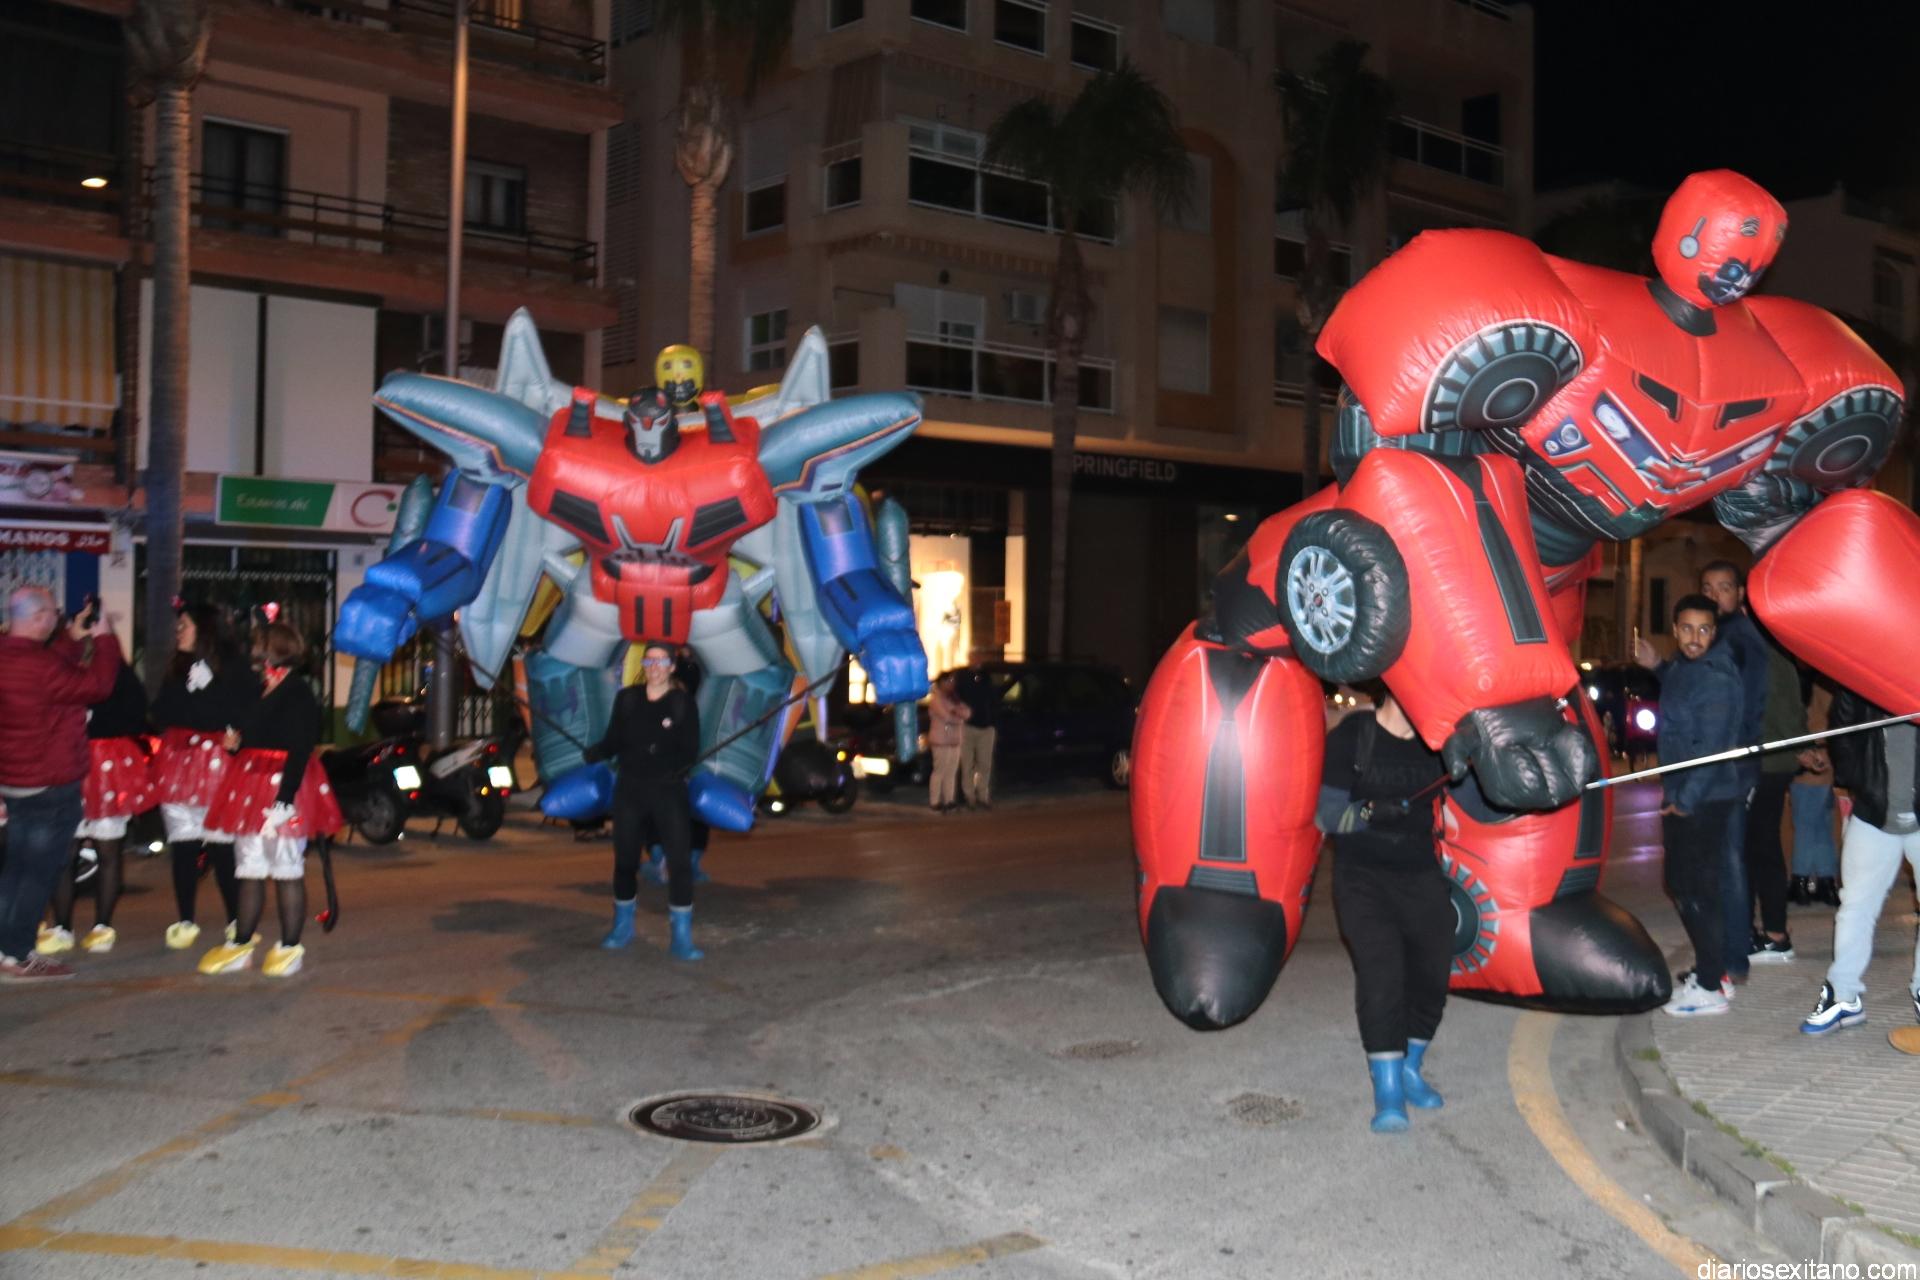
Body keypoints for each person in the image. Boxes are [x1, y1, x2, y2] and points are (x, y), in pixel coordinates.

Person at [1315, 686, 1451, 1134]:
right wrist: (1372, 810)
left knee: (1433, 972)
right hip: (1362, 878)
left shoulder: (1438, 743)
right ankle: (1388, 1086)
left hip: (1420, 873)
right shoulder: (1354, 737)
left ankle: (1411, 1068)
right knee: (1382, 973)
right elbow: (1326, 816)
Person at [195, 623, 341, 976]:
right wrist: (237, 745)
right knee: (250, 866)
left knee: (286, 868)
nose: (253, 650)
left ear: (275, 649)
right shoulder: (265, 687)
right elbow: (254, 732)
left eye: (259, 644)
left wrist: (285, 800)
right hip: (252, 785)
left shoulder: (298, 691)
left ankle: (289, 948)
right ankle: (241, 943)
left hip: (284, 787)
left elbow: (301, 747)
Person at [0, 586, 122, 981]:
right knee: (38, 873)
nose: (56, 617)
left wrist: (72, 637)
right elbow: (97, 686)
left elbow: (56, 673)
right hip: (49, 785)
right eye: (52, 613)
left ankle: (5, 948)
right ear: (38, 618)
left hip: (15, 782)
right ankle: (17, 954)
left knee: (16, 869)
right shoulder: (40, 665)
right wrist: (104, 639)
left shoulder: (13, 656)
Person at [1638, 594, 1746, 1017]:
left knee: (1692, 889)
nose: (1695, 638)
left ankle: (1710, 987)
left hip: (1703, 798)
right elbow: (1681, 690)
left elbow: (1712, 750)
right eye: (1687, 629)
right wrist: (1657, 666)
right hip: (1691, 794)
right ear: (1675, 630)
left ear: (1714, 632)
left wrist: (1684, 801)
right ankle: (1713, 972)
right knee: (1693, 887)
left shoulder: (1716, 678)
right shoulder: (1687, 668)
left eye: (1703, 629)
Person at [1799, 686, 1920, 1035]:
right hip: (1873, 813)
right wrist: (1858, 781)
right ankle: (1843, 995)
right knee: (1855, 907)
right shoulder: (1865, 678)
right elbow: (1842, 729)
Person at [584, 643, 704, 960]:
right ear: (643, 665)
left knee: (679, 863)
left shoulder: (682, 703)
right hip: (630, 790)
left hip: (668, 791)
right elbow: (613, 740)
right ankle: (622, 926)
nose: (655, 667)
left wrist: (673, 764)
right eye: (649, 661)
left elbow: (691, 749)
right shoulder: (628, 699)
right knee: (625, 861)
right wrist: (598, 752)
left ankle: (681, 936)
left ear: (672, 666)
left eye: (662, 661)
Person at [150, 602, 258, 951]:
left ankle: (236, 921)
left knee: (222, 848)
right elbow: (161, 713)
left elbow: (241, 714)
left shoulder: (232, 666)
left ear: (205, 630)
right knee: (182, 847)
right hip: (179, 766)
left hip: (217, 767)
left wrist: (211, 688)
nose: (178, 632)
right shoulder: (177, 666)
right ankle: (186, 920)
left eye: (185, 625)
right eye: (178, 626)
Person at [38, 661, 153, 956]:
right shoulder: (59, 659)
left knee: (108, 850)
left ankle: (102, 926)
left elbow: (136, 712)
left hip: (107, 760)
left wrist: (97, 720)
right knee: (63, 851)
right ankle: (62, 927)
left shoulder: (115, 668)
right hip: (67, 759)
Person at [1697, 561, 1769, 987]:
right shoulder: (1722, 636)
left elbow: (1740, 706)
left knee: (1727, 860)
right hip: (1726, 762)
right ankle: (1730, 954)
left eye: (1723, 587)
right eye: (1707, 587)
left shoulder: (1738, 638)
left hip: (1730, 765)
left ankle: (1732, 958)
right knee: (1723, 859)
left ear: (1740, 593)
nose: (1713, 595)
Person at [1744, 633, 1805, 964]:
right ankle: (1767, 931)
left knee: (1758, 848)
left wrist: (1800, 746)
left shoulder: (1766, 658)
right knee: (1759, 847)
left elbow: (1785, 716)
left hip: (1765, 765)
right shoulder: (1774, 656)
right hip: (1768, 763)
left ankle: (1774, 934)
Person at [954, 658, 999, 811]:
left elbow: (993, 699)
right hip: (967, 726)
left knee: (985, 764)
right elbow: (957, 698)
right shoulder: (963, 677)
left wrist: (992, 720)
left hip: (986, 727)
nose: (977, 661)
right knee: (967, 764)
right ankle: (969, 797)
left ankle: (983, 796)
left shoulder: (987, 677)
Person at [926, 673, 970, 814]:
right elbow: (946, 717)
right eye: (949, 681)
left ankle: (949, 800)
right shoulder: (936, 699)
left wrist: (956, 713)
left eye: (952, 681)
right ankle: (935, 801)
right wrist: (958, 716)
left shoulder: (954, 698)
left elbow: (967, 713)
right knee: (939, 770)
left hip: (954, 739)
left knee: (951, 771)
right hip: (941, 740)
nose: (951, 684)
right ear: (941, 683)